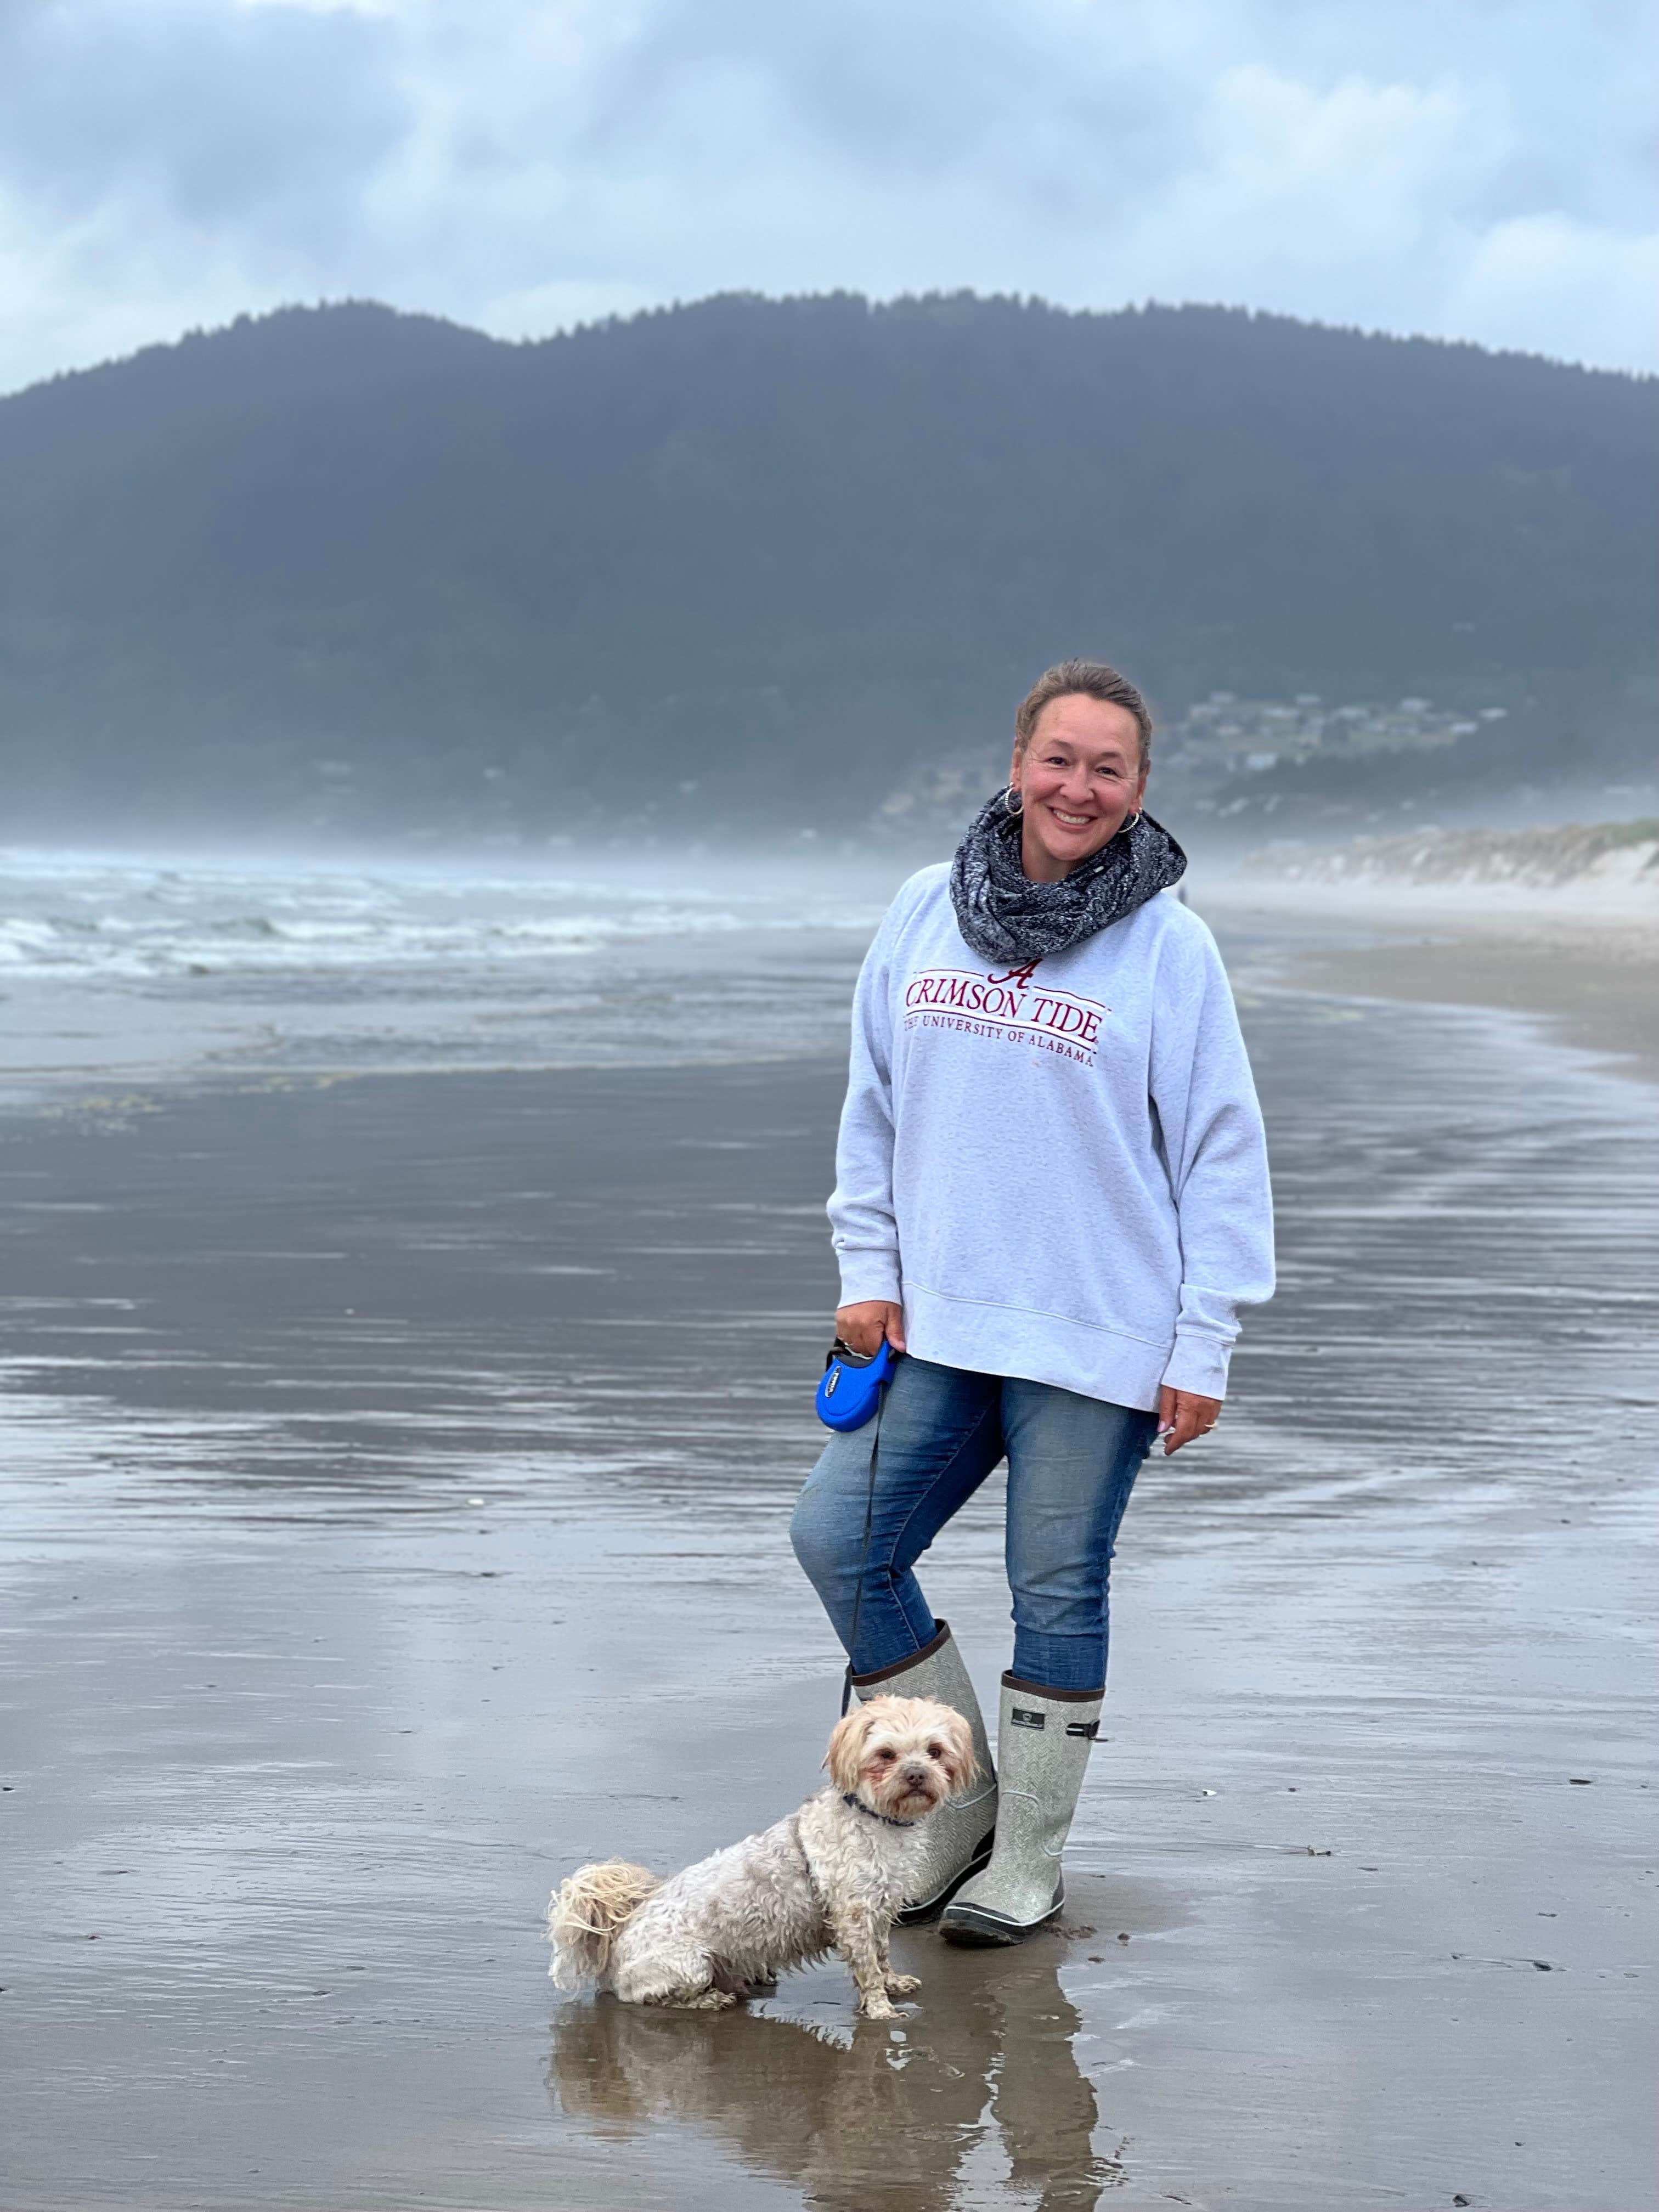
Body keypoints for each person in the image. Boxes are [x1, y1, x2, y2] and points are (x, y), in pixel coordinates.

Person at [791, 658, 1274, 1946]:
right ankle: (960, 1806)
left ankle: (1030, 1864)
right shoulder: (920, 910)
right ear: (1016, 765)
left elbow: (1221, 1147)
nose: (1078, 786)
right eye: (1058, 759)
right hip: (940, 1318)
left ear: (1139, 789)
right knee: (842, 1538)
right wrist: (866, 1270)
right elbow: (873, 1106)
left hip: (1102, 1332)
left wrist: (1205, 1338)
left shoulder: (1169, 944)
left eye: (1107, 768)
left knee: (1054, 1589)